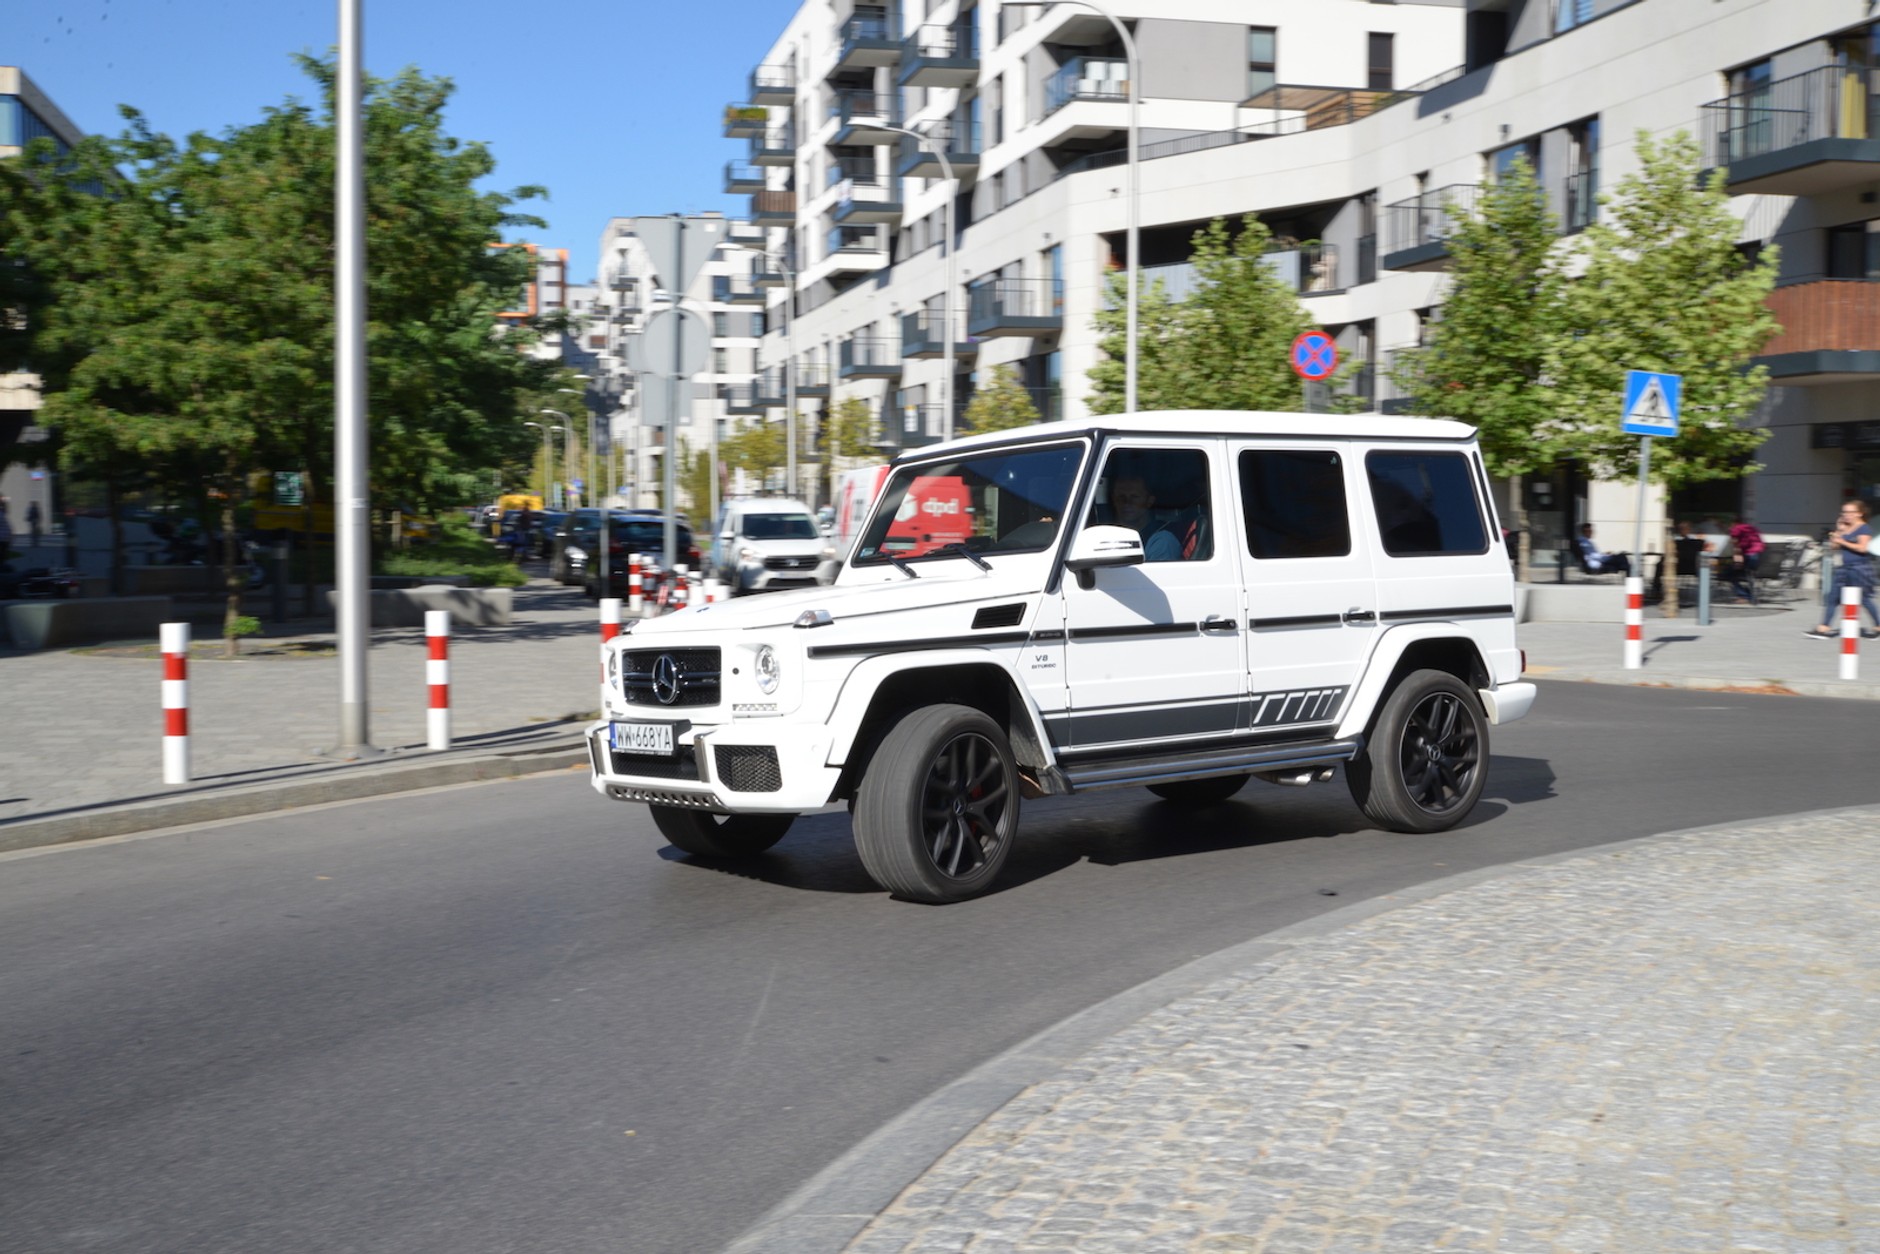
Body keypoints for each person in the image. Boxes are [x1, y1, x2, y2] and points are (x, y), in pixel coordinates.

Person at [1806, 500, 1879, 639]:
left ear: (1859, 513)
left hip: (1859, 568)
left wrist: (1843, 541)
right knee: (1833, 598)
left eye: (1850, 512)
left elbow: (1863, 548)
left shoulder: (1864, 528)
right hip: (1844, 568)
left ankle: (1878, 626)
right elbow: (1834, 547)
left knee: (1864, 599)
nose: (1846, 515)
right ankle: (1823, 628)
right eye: (1844, 512)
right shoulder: (1845, 527)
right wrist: (1838, 531)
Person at [1107, 474, 1181, 562]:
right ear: (1114, 500)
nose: (1127, 502)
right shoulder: (1108, 537)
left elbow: (1158, 575)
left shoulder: (1162, 540)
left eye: (1134, 497)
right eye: (1121, 497)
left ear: (1150, 501)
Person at [1725, 515, 1764, 602]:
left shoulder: (1736, 528)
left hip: (1750, 557)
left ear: (1733, 523)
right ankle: (1748, 595)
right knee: (1744, 574)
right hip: (1759, 558)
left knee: (1728, 574)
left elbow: (1734, 544)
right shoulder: (1752, 529)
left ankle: (1745, 595)